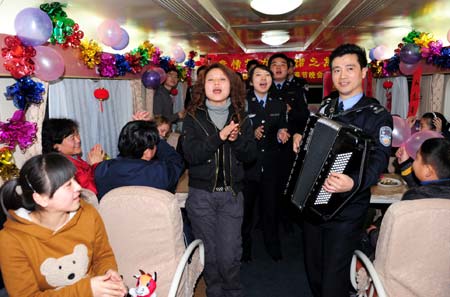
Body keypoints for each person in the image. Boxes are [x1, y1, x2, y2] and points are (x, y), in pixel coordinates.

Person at [292, 43, 393, 297]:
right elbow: (315, 145)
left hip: (347, 208)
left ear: (363, 73)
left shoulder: (376, 115)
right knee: (313, 270)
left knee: (333, 279)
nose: (342, 75)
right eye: (336, 70)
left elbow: (379, 161)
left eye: (349, 68)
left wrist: (353, 182)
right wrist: (300, 140)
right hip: (315, 203)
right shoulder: (327, 106)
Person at [0, 153, 127, 297]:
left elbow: (103, 255)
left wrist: (108, 274)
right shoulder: (11, 239)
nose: (78, 187)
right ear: (41, 199)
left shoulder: (88, 214)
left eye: (74, 179)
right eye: (68, 185)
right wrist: (87, 290)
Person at [181, 63, 256, 297]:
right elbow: (192, 156)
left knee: (230, 254)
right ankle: (213, 292)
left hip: (231, 196)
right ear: (203, 86)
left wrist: (237, 140)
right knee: (210, 255)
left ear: (231, 86)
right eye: (211, 80)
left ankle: (233, 291)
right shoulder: (192, 117)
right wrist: (220, 137)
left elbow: (250, 156)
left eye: (222, 80)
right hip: (202, 196)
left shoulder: (241, 117)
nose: (216, 84)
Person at [242, 64, 289, 262]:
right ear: (251, 81)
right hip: (248, 165)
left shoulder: (278, 104)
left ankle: (273, 245)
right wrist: (250, 134)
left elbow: (282, 127)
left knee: (271, 208)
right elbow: (235, 134)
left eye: (267, 75)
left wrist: (282, 134)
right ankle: (244, 248)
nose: (263, 79)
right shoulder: (242, 103)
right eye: (258, 75)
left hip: (271, 165)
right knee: (246, 211)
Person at [94, 120, 184, 199]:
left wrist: (136, 134)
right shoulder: (158, 173)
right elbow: (176, 161)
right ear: (148, 152)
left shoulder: (102, 169)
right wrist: (155, 137)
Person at [42, 118, 105, 195]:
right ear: (56, 147)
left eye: (77, 134)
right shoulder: (65, 168)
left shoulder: (75, 158)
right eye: (72, 138)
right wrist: (97, 166)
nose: (78, 140)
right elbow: (91, 193)